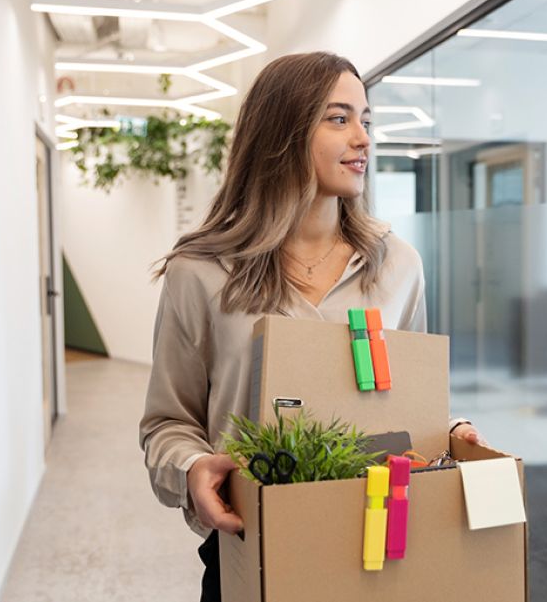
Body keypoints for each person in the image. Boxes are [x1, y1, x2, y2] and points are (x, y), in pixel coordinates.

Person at [138, 51, 482, 602]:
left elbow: (408, 405)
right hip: (254, 546)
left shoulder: (398, 266)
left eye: (366, 120)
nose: (364, 138)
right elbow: (166, 423)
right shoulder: (200, 272)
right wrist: (194, 467)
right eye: (339, 118)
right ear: (282, 132)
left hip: (380, 544)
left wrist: (452, 428)